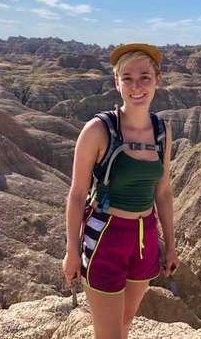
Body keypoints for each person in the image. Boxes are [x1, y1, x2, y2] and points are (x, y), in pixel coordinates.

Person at [62, 43, 179, 339]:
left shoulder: (162, 131)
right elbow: (77, 194)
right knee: (110, 334)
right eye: (127, 78)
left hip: (145, 237)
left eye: (144, 77)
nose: (136, 86)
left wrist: (170, 245)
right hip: (106, 237)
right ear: (116, 82)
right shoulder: (98, 130)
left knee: (125, 322)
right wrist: (72, 251)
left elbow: (163, 192)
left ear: (158, 80)